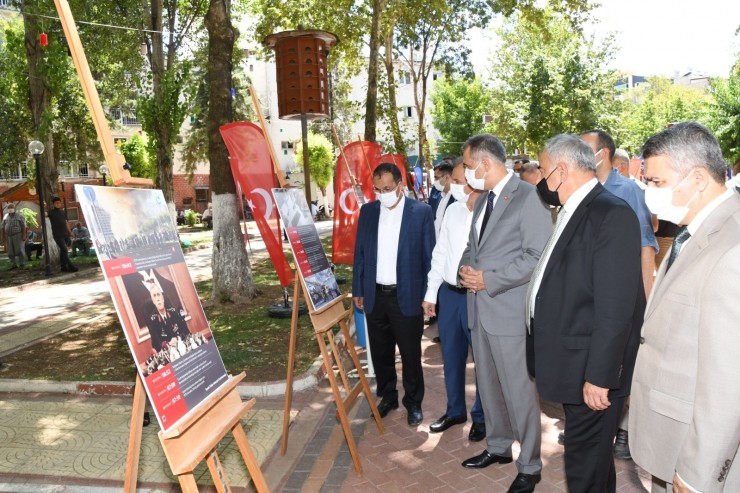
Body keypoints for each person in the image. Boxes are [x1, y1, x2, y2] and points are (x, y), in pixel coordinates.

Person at [527, 134, 644, 493]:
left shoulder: (611, 213)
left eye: (544, 172)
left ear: (561, 171)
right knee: (590, 463)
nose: (541, 181)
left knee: (584, 467)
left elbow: (617, 306)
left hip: (591, 372)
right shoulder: (574, 208)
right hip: (574, 362)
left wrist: (600, 375)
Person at [630, 122, 740, 493]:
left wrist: (698, 474)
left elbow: (730, 381)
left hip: (695, 455)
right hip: (671, 435)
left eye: (657, 182)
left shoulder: (732, 245)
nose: (648, 192)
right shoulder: (694, 229)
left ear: (696, 179)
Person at [457, 134, 552, 493]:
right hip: (479, 310)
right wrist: (465, 270)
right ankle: (498, 447)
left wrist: (489, 280)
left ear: (485, 164)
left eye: (468, 166)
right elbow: (473, 248)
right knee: (489, 385)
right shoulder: (483, 202)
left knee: (519, 392)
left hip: (508, 312)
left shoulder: (529, 198)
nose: (466, 173)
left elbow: (536, 256)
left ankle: (530, 464)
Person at [352, 162, 435, 427]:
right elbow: (361, 254)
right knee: (381, 352)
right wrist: (358, 289)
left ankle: (414, 402)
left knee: (411, 354)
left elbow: (429, 256)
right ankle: (388, 396)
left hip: (407, 295)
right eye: (377, 189)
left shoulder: (420, 212)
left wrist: (429, 295)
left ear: (400, 184)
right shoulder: (367, 212)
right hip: (375, 296)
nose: (382, 193)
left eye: (387, 188)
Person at [422, 160, 486, 442]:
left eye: (459, 181)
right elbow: (440, 252)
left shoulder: (489, 213)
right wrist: (430, 293)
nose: (454, 186)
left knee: (482, 361)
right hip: (449, 295)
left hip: (477, 297)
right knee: (451, 358)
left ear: (472, 182)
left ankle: (481, 417)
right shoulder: (452, 211)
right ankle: (455, 410)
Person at [580, 129, 659, 298]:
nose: (578, 155)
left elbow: (646, 246)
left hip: (619, 289)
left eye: (584, 149)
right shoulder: (581, 191)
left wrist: (645, 301)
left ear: (603, 153)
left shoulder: (630, 190)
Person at [143, 273, 191, 354]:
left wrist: (177, 338)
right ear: (153, 301)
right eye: (154, 296)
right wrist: (167, 345)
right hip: (168, 352)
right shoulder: (153, 320)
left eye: (158, 295)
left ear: (163, 298)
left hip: (181, 347)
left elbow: (185, 331)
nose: (157, 298)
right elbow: (156, 343)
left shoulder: (173, 312)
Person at [48, 197, 78, 273]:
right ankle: (71, 267)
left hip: (65, 234)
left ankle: (63, 267)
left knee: (63, 250)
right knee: (65, 249)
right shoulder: (50, 212)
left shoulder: (62, 212)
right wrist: (44, 206)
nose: (58, 204)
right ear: (53, 204)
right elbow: (44, 214)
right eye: (56, 203)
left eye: (59, 202)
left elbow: (66, 222)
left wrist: (70, 232)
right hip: (57, 235)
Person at [431, 160, 455, 238]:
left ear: (447, 177)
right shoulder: (439, 196)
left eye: (436, 178)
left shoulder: (456, 199)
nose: (435, 181)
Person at [1, 204, 27, 269]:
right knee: (10, 251)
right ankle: (13, 264)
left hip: (18, 235)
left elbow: (24, 226)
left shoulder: (19, 216)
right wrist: (2, 236)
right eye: (9, 207)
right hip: (9, 236)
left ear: (14, 208)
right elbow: (2, 227)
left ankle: (22, 264)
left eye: (11, 207)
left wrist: (24, 235)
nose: (10, 209)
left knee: (20, 250)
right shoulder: (5, 216)